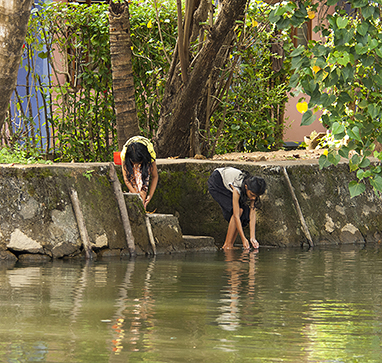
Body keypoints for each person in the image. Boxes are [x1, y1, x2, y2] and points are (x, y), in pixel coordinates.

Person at [208, 167, 266, 249]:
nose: (253, 198)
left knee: (244, 214)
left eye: (255, 196)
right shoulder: (237, 190)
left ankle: (230, 244)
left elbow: (252, 214)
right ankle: (227, 245)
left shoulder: (252, 190)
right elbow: (236, 215)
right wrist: (243, 239)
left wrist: (252, 238)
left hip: (229, 185)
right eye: (252, 195)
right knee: (239, 211)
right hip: (217, 182)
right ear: (246, 187)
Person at [120, 136, 158, 209]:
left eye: (138, 163)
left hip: (145, 161)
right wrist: (136, 196)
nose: (136, 166)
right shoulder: (125, 154)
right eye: (134, 163)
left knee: (143, 183)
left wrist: (149, 196)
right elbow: (126, 178)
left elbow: (155, 176)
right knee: (132, 180)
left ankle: (143, 205)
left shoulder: (150, 153)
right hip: (130, 162)